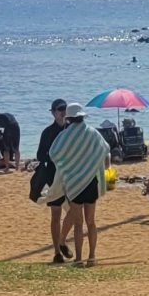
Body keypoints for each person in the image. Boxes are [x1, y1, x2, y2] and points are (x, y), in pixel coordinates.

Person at [49, 104, 110, 268]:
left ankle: (78, 259)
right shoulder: (92, 132)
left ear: (68, 118)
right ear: (83, 117)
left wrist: (68, 165)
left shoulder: (65, 135)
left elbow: (54, 153)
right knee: (91, 221)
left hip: (74, 182)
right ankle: (92, 257)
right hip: (91, 182)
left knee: (78, 223)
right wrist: (96, 166)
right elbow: (105, 149)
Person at [37, 98, 74, 264]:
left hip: (71, 177)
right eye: (59, 109)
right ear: (53, 112)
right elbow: (40, 155)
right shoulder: (47, 132)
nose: (63, 112)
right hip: (53, 177)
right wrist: (54, 157)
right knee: (56, 214)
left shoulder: (72, 129)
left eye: (65, 109)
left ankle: (62, 240)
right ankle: (57, 252)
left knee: (74, 212)